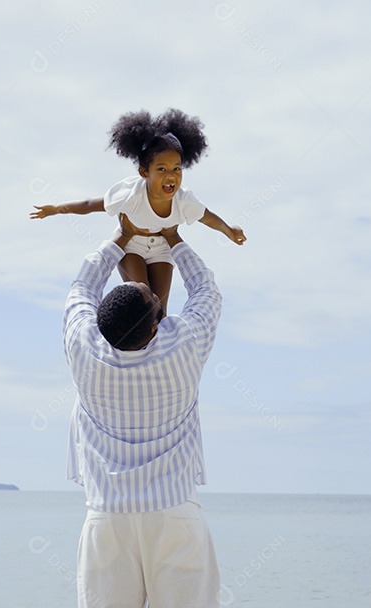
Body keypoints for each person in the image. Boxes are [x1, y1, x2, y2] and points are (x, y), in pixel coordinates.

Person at [64, 213, 222, 608]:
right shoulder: (183, 347)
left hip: (107, 516)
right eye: (157, 302)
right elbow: (206, 291)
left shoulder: (83, 347)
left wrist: (120, 237)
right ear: (155, 328)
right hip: (174, 515)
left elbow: (82, 288)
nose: (156, 293)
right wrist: (174, 239)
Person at [31, 108, 245, 312]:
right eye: (161, 169)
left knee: (160, 310)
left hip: (162, 249)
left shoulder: (184, 199)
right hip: (129, 245)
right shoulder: (130, 194)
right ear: (144, 172)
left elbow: (207, 218)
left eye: (176, 168)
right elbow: (90, 205)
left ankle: (158, 348)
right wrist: (56, 209)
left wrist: (229, 230)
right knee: (143, 306)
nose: (171, 175)